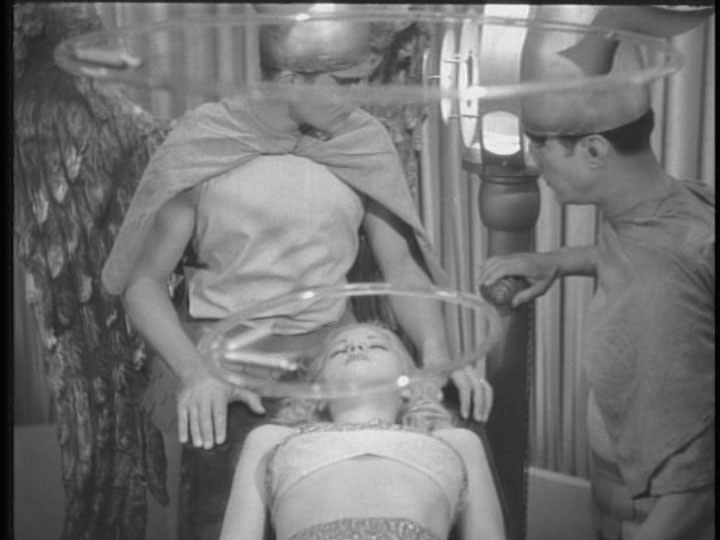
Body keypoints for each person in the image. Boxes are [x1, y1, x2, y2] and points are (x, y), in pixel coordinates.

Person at [101, 7, 490, 540]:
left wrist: (437, 354)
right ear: (290, 78)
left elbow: (400, 266)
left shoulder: (362, 140)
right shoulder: (207, 139)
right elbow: (143, 284)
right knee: (219, 519)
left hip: (333, 369)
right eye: (345, 82)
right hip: (228, 367)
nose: (359, 96)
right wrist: (195, 373)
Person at [478, 20, 715, 539]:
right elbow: (645, 249)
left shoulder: (655, 292)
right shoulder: (681, 203)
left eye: (540, 143)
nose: (534, 161)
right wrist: (560, 260)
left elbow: (693, 493)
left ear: (593, 151)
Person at [219, 322, 507, 540]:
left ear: (408, 385)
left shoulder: (457, 442)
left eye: (376, 346)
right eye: (338, 350)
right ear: (318, 391)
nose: (355, 349)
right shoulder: (271, 439)